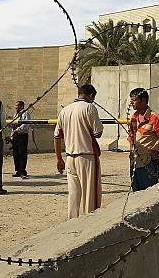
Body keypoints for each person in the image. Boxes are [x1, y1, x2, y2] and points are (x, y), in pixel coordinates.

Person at [54, 84, 104, 219]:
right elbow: (98, 132)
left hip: (70, 157)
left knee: (73, 194)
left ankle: (72, 221)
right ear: (91, 96)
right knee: (90, 194)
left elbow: (57, 136)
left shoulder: (64, 110)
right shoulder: (90, 107)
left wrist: (59, 158)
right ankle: (90, 222)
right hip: (87, 156)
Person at [127, 88, 159, 191]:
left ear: (143, 100)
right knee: (136, 193)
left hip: (148, 163)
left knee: (147, 192)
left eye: (134, 100)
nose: (131, 103)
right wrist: (132, 150)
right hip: (135, 162)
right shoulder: (134, 118)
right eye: (131, 100)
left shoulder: (155, 119)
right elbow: (131, 136)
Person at [11, 100, 31, 179]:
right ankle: (18, 170)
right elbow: (13, 125)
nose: (16, 107)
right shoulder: (15, 115)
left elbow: (25, 125)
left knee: (22, 153)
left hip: (22, 136)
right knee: (15, 153)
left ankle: (23, 171)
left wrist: (17, 130)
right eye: (16, 105)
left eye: (18, 105)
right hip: (16, 136)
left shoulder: (25, 113)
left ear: (22, 106)